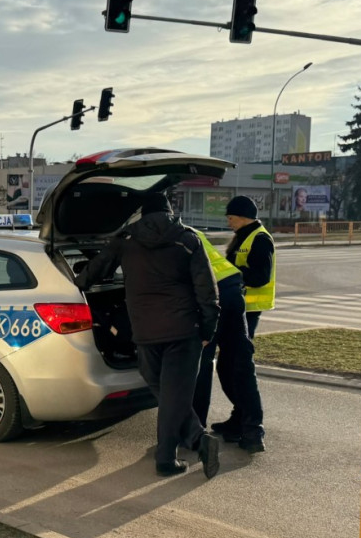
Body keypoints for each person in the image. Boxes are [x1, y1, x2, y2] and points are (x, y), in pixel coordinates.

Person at [75, 192, 221, 478]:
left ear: (143, 214)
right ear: (170, 210)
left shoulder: (126, 239)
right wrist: (207, 330)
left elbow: (94, 271)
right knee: (173, 396)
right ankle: (186, 447)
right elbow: (208, 291)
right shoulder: (188, 239)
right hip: (184, 331)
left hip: (145, 333)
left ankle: (178, 450)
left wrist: (75, 281)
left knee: (168, 394)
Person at [190, 228, 266, 453]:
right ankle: (253, 432)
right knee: (241, 364)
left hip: (211, 294)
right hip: (233, 289)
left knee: (202, 365)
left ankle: (197, 433)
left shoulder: (164, 238)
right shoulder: (192, 232)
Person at [223, 196, 276, 339]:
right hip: (238, 303)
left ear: (243, 217)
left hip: (249, 306)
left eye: (231, 218)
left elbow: (261, 276)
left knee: (240, 351)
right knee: (231, 349)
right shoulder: (243, 236)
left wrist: (233, 271)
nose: (229, 223)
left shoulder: (260, 239)